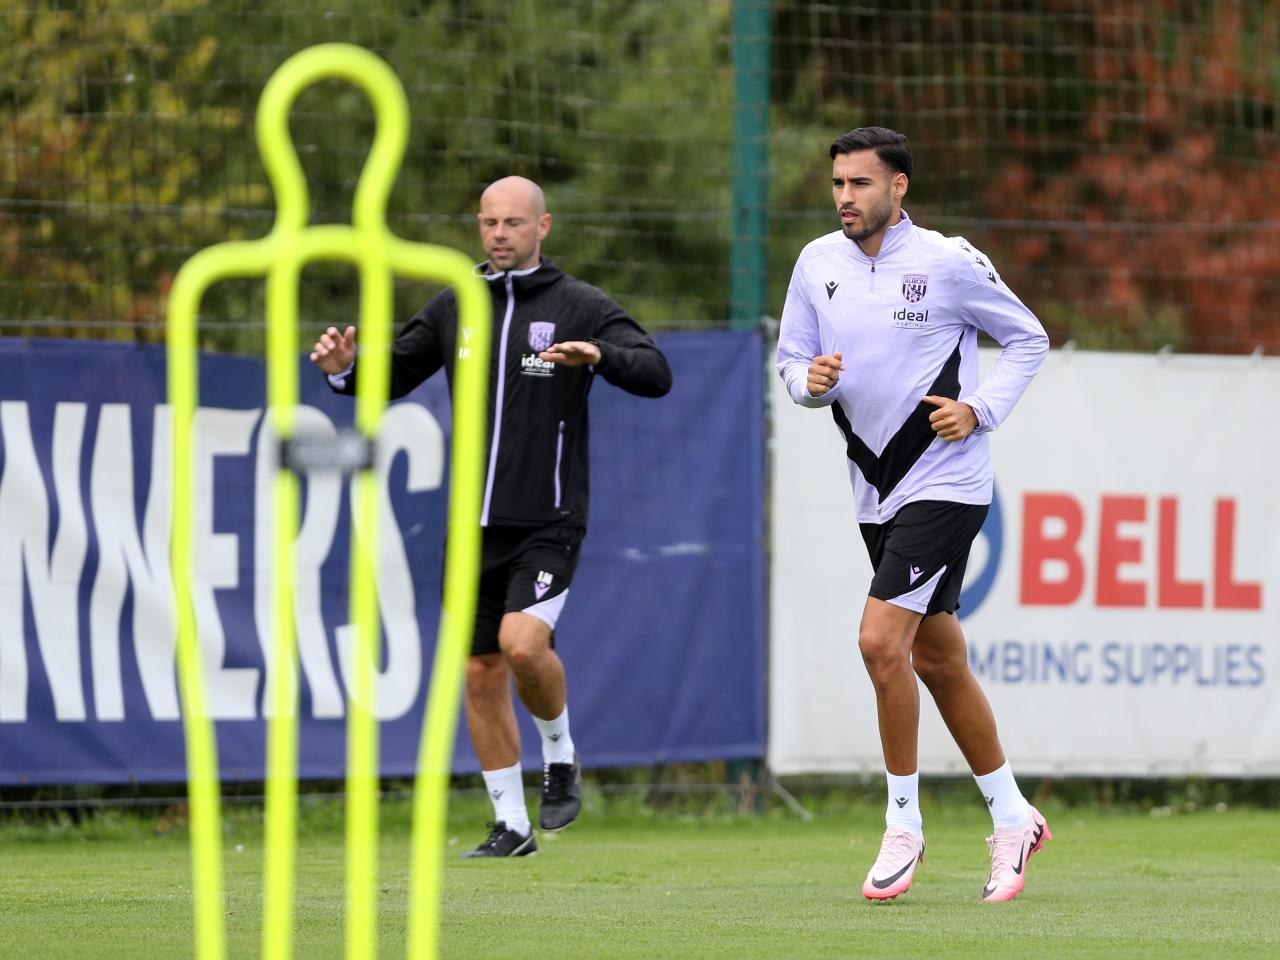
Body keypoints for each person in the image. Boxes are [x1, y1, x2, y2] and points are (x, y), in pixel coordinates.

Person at [311, 176, 672, 857]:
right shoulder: (457, 304)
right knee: (479, 673)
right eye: (488, 222)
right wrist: (345, 370)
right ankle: (510, 825)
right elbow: (392, 376)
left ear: (543, 227)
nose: (499, 233)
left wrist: (601, 355)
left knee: (522, 646)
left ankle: (560, 754)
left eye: (512, 222)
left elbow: (656, 372)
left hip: (548, 518)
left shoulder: (579, 305)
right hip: (470, 527)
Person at [776, 127, 1051, 902]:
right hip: (874, 492)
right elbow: (791, 363)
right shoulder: (815, 264)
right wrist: (812, 382)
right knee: (936, 659)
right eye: (837, 184)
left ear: (897, 188)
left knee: (877, 642)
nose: (844, 199)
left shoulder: (948, 262)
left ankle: (904, 823)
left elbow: (1028, 337)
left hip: (947, 484)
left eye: (860, 184)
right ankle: (1012, 814)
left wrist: (980, 409)